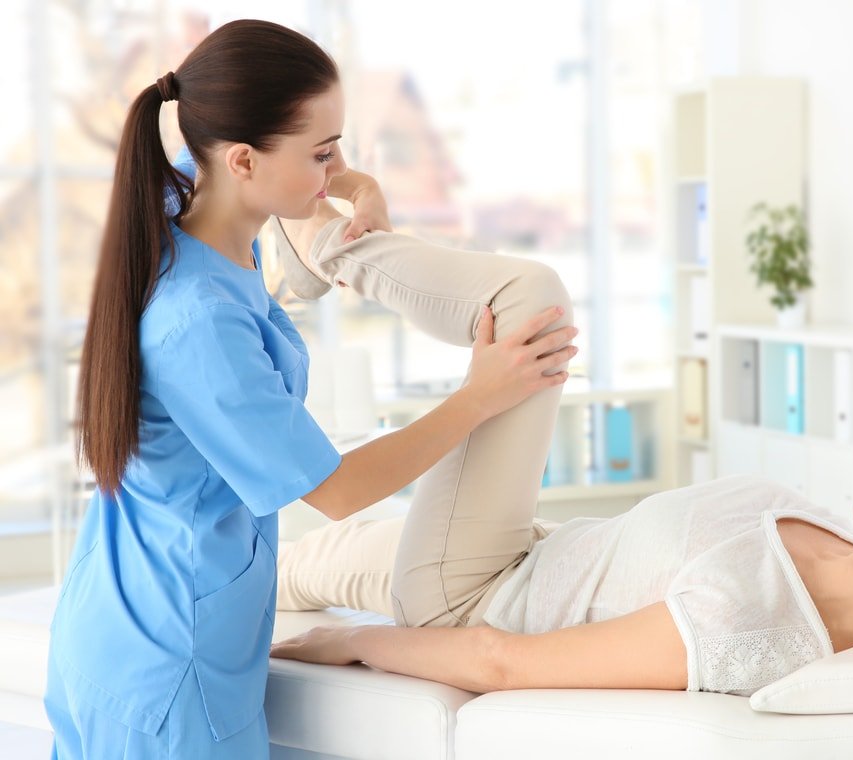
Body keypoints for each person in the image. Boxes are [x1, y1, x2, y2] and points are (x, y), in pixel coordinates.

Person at [269, 204, 853, 697]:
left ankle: (327, 248)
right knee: (288, 570)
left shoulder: (748, 620)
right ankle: (305, 262)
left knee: (532, 304)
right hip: (530, 551)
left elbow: (503, 661)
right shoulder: (848, 550)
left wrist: (354, 645)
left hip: (472, 594)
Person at [46, 19, 576, 759]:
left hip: (115, 625)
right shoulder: (198, 323)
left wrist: (355, 185)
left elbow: (288, 185)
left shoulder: (191, 201)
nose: (333, 169)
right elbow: (337, 490)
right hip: (170, 669)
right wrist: (479, 395)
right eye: (322, 153)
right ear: (243, 160)